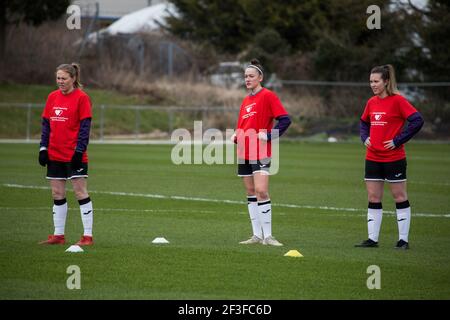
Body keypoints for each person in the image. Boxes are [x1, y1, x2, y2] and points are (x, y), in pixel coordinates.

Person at [355, 64, 424, 250]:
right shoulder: (371, 102)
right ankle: (372, 239)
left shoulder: (399, 101)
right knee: (373, 196)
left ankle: (403, 240)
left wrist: (398, 140)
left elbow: (417, 121)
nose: (373, 85)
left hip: (394, 157)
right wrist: (365, 137)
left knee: (399, 196)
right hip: (372, 157)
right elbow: (363, 122)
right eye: (371, 81)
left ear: (386, 82)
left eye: (376, 81)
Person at [232, 59, 291, 246]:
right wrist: (236, 135)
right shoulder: (245, 100)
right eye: (245, 76)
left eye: (251, 76)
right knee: (250, 191)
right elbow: (242, 125)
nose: (247, 79)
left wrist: (270, 134)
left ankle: (269, 236)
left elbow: (285, 120)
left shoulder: (268, 96)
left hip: (261, 151)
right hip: (244, 151)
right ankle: (256, 235)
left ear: (260, 77)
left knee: (262, 191)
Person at [38, 63, 94, 246]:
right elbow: (46, 125)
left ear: (73, 78)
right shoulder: (52, 97)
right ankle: (58, 236)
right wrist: (43, 148)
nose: (60, 82)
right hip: (54, 154)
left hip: (74, 155)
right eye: (58, 78)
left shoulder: (82, 98)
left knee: (80, 192)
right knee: (57, 193)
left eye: (64, 78)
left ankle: (87, 236)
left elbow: (85, 127)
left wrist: (79, 150)